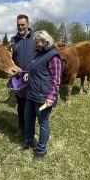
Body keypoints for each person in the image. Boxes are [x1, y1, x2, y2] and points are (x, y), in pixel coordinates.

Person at [21, 30, 62, 159]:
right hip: (32, 93)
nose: (36, 45)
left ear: (45, 41)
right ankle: (28, 143)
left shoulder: (53, 56)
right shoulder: (38, 54)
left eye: (37, 43)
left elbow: (57, 78)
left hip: (44, 97)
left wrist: (51, 96)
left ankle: (41, 150)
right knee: (28, 119)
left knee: (43, 123)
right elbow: (35, 67)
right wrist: (28, 72)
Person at [10, 14, 38, 137]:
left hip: (33, 77)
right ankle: (21, 128)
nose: (20, 27)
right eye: (18, 25)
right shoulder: (13, 40)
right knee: (21, 104)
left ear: (28, 24)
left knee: (32, 104)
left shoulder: (36, 38)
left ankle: (30, 130)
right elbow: (10, 59)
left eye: (23, 24)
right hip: (19, 78)